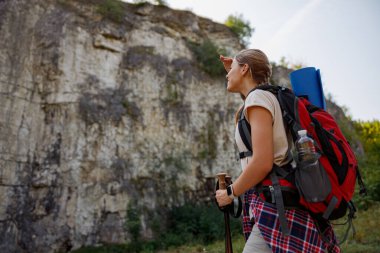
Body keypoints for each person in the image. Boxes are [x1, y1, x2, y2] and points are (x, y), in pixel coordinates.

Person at [215, 49, 340, 253]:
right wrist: (234, 66)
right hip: (276, 200)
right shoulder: (263, 98)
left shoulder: (258, 100)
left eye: (232, 69)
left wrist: (230, 193)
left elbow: (263, 162)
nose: (227, 74)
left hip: (277, 205)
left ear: (245, 69)